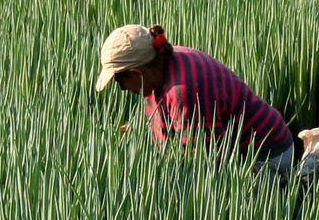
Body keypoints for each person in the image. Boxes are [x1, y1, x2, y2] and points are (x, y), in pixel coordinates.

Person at [96, 24, 296, 173]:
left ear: (137, 74)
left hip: (265, 158)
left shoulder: (185, 91)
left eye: (119, 80)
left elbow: (204, 166)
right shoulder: (163, 63)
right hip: (240, 152)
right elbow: (162, 112)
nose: (122, 89)